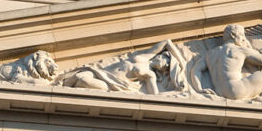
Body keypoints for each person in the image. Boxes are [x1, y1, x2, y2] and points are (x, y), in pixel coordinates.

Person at [189, 24, 262, 102]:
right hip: (237, 90)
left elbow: (195, 70)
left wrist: (199, 89)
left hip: (220, 92)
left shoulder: (211, 54)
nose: (244, 38)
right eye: (242, 35)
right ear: (233, 36)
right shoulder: (239, 50)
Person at [56, 39, 187, 95]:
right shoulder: (146, 57)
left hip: (114, 85)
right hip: (103, 73)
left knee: (83, 81)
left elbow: (155, 96)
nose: (165, 63)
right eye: (166, 59)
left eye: (167, 66)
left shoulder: (150, 74)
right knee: (78, 76)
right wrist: (181, 62)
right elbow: (167, 42)